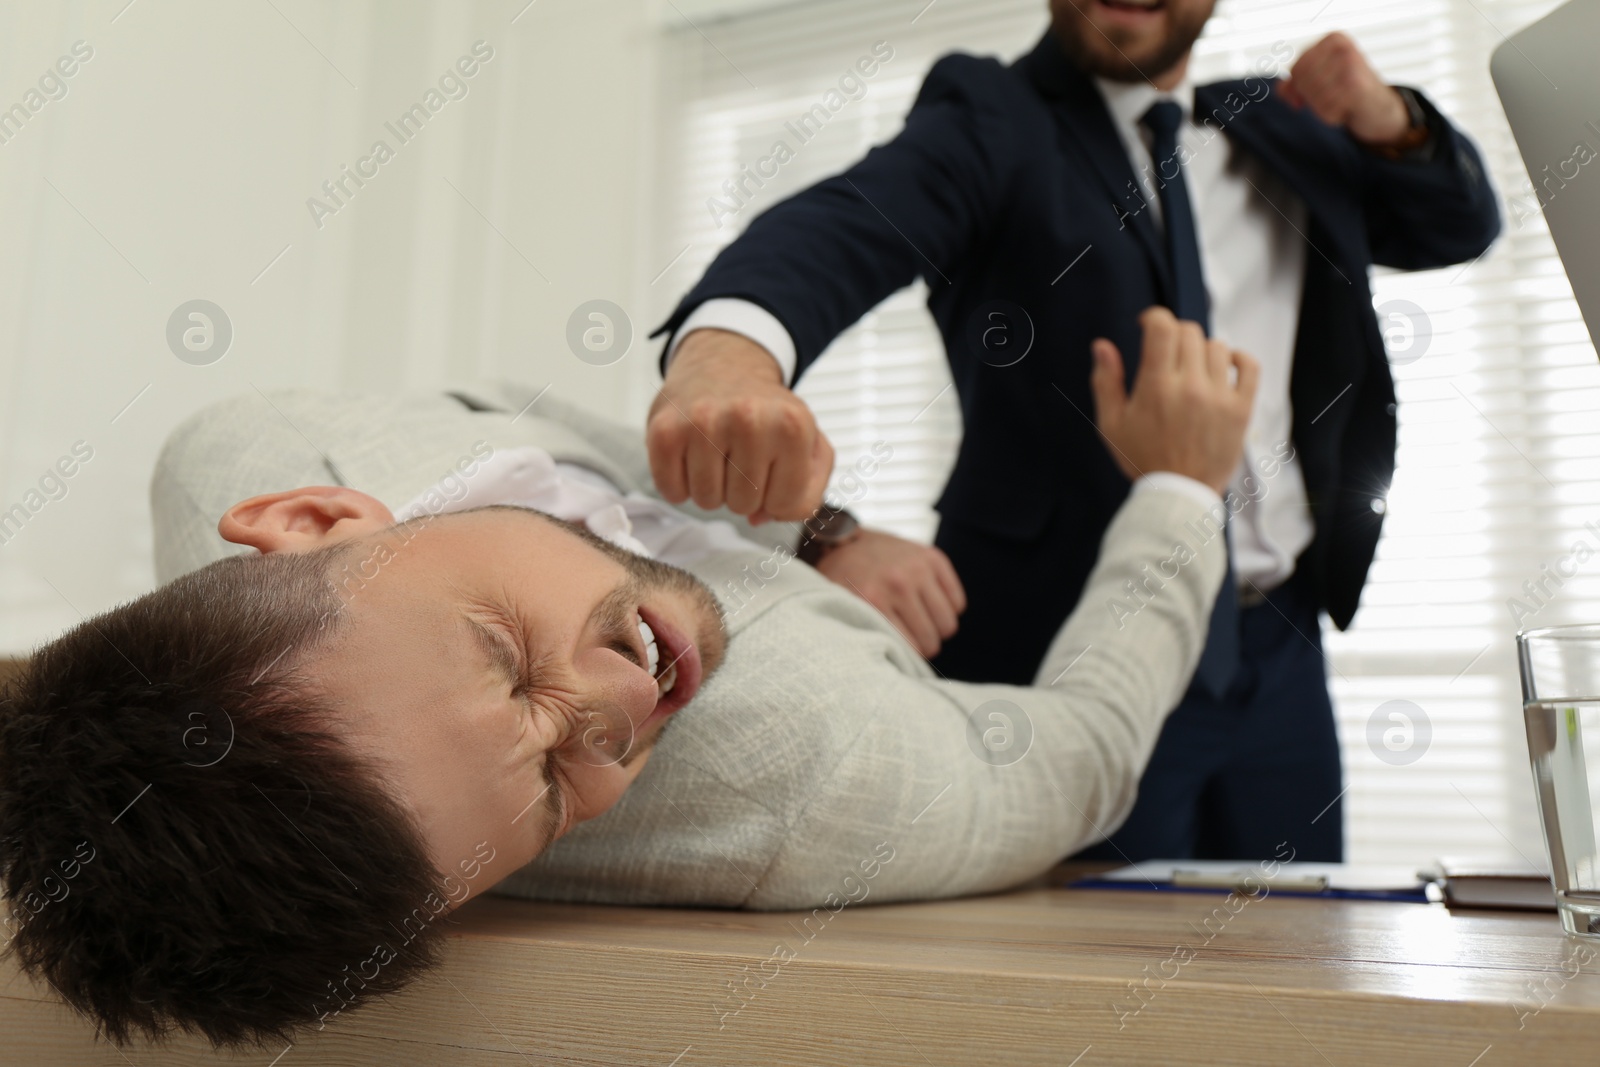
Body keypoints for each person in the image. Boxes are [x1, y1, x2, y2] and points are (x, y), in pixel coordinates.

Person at [0, 310, 1252, 1048]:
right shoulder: (823, 784)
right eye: (551, 787)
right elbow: (1084, 747)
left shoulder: (244, 441)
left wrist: (816, 532)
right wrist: (1184, 485)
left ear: (314, 514)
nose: (609, 713)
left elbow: (499, 413)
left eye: (500, 650)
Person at [647, 0, 1502, 862]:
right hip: (1064, 647)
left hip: (1278, 647)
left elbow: (1458, 224)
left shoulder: (1284, 124)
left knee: (1298, 960)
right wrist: (728, 354)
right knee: (1084, 970)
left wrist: (1388, 119)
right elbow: (843, 225)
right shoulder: (993, 115)